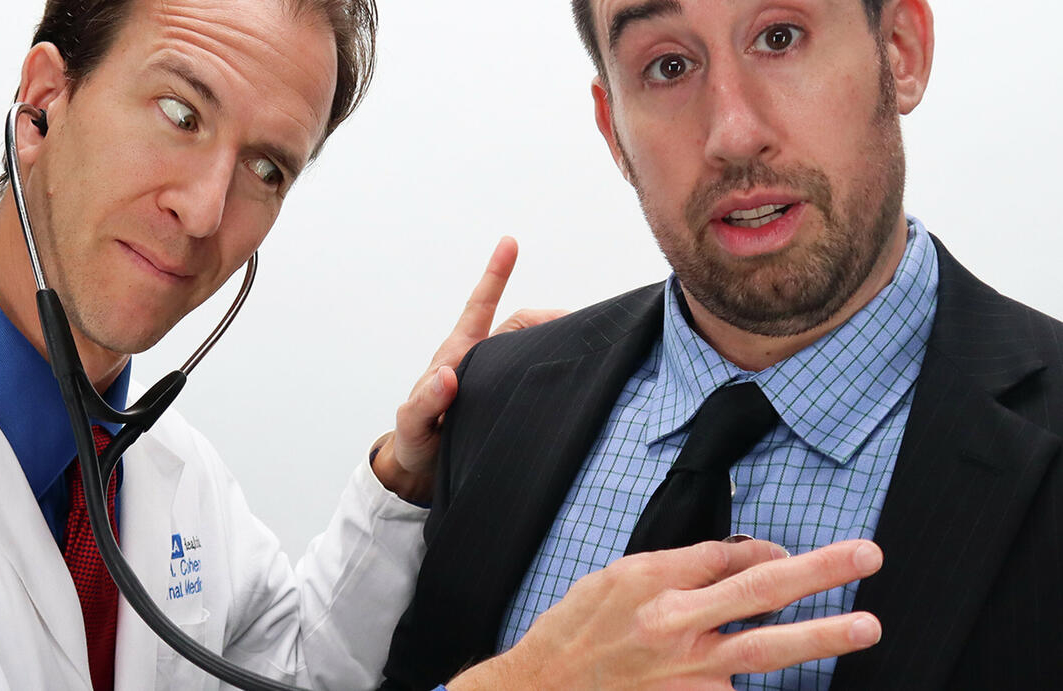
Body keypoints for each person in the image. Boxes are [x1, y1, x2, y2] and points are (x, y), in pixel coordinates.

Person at [0, 0, 887, 689]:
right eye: (179, 112)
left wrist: (403, 475)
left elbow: (294, 670)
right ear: (42, 101)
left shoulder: (163, 478)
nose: (206, 209)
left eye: (267, 168)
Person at [383, 0, 1063, 689]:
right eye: (668, 67)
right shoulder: (495, 398)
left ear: (899, 49)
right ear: (614, 131)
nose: (734, 135)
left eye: (780, 37)